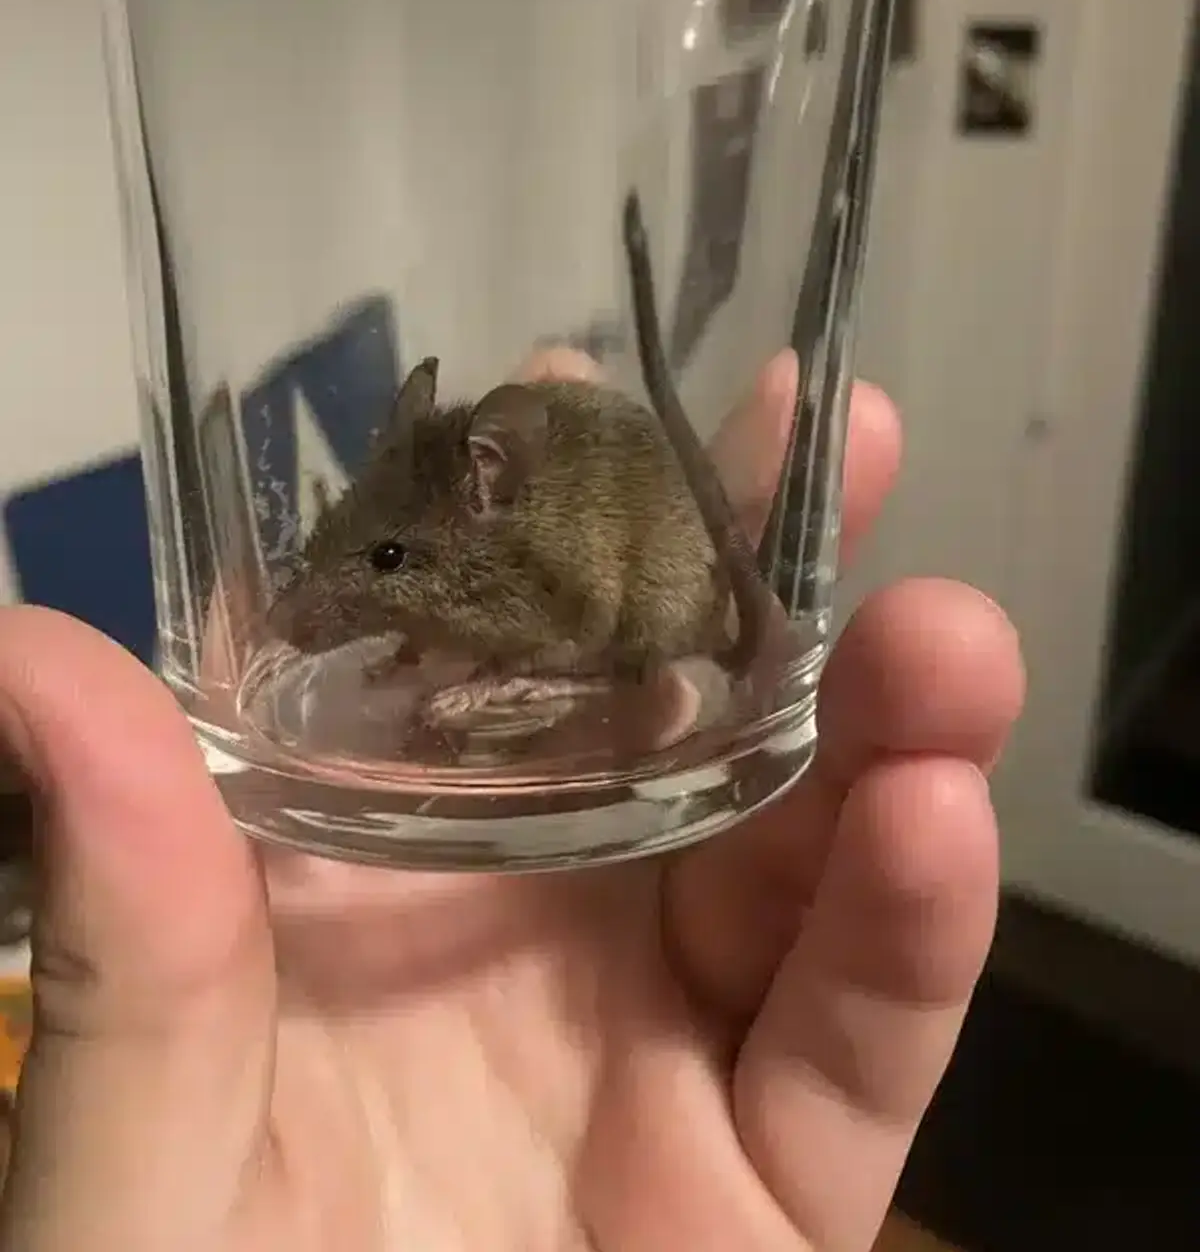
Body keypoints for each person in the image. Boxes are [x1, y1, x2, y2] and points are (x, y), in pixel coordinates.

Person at [0, 361, 1023, 1251]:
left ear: (493, 487)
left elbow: (560, 615)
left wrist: (509, 680)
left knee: (619, 620)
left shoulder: (550, 559)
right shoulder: (468, 536)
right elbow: (439, 590)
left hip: (636, 622)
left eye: (387, 560)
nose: (337, 593)